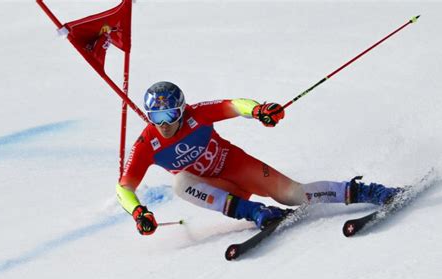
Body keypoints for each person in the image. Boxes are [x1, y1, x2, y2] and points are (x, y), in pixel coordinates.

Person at [116, 81, 400, 236]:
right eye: (156, 117)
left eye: (170, 115)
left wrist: (259, 110)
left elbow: (233, 105)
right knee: (180, 183)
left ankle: (366, 191)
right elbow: (124, 187)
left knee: (293, 195)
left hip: (237, 166)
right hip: (219, 190)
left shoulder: (196, 114)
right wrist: (139, 213)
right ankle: (255, 213)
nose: (164, 124)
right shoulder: (147, 144)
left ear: (181, 109)